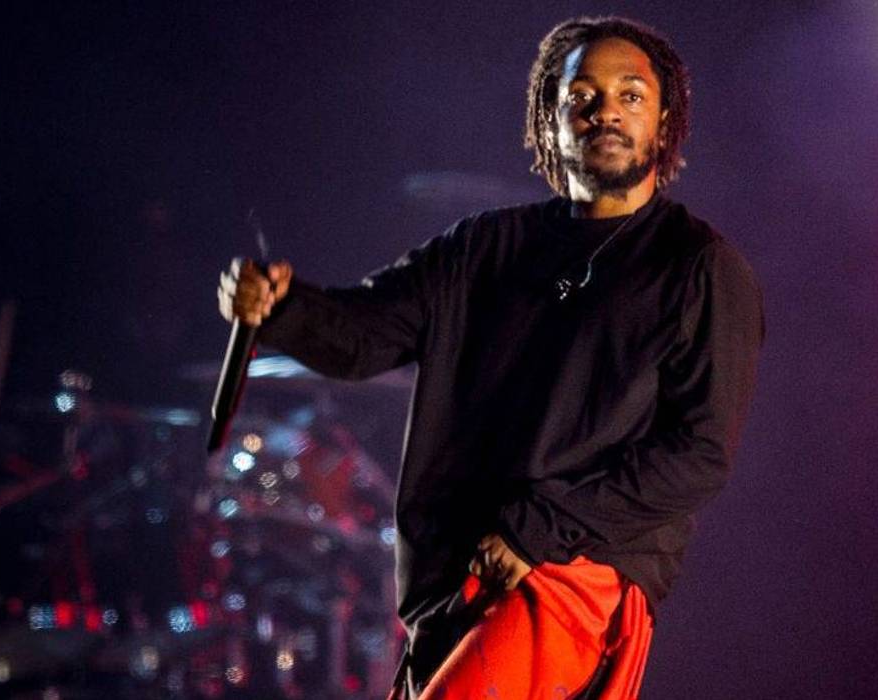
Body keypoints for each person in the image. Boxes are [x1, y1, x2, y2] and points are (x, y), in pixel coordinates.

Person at [217, 16, 763, 700]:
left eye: (630, 94)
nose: (606, 113)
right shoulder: (483, 247)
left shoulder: (699, 269)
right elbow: (365, 336)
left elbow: (698, 454)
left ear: (664, 121)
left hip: (569, 571)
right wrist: (281, 307)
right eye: (581, 97)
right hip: (453, 572)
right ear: (549, 118)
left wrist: (539, 530)